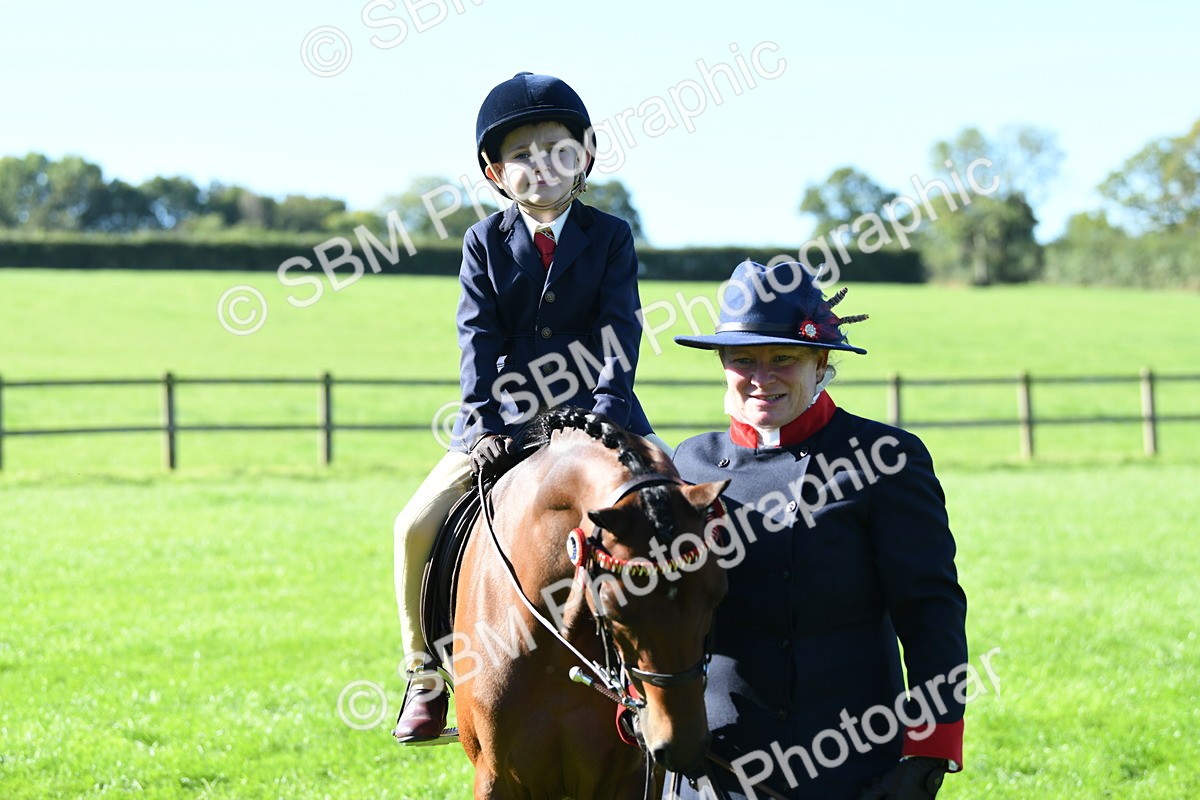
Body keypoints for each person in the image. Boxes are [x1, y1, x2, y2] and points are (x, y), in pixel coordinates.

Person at [392, 72, 669, 743]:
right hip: (505, 424)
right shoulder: (483, 243)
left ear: (586, 157)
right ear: (494, 173)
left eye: (557, 148)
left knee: (676, 514)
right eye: (521, 155)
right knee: (411, 525)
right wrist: (486, 425)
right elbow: (478, 339)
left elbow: (619, 331)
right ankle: (424, 675)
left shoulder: (610, 236)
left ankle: (695, 673)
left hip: (603, 415)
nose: (540, 165)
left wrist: (604, 412)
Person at [666, 260, 968, 799]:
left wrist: (931, 747)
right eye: (744, 359)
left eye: (783, 357)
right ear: (722, 363)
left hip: (850, 759)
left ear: (820, 360)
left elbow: (930, 609)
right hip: (712, 761)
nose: (762, 378)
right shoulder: (687, 464)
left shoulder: (887, 458)